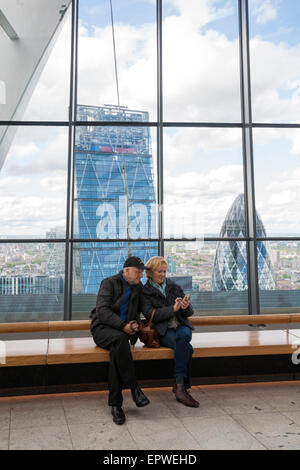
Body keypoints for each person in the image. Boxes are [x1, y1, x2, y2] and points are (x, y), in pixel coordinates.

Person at [90, 256, 150, 425]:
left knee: (117, 352)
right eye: (138, 272)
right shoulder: (109, 283)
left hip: (122, 334)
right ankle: (134, 387)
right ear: (126, 271)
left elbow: (139, 312)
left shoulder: (137, 288)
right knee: (120, 339)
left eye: (142, 273)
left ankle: (116, 405)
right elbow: (102, 312)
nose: (141, 276)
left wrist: (135, 325)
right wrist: (124, 326)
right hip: (102, 329)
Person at [142, 256, 199, 408]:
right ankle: (182, 387)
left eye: (165, 271)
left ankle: (180, 387)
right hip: (163, 329)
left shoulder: (174, 286)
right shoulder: (145, 291)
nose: (163, 274)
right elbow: (148, 314)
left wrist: (185, 307)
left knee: (185, 335)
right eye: (159, 271)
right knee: (187, 347)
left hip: (180, 324)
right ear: (151, 273)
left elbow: (189, 312)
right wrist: (171, 309)